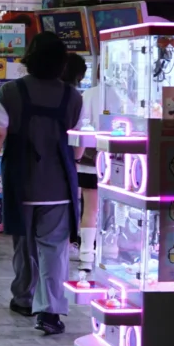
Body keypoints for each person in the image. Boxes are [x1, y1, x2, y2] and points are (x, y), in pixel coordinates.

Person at [0, 31, 81, 335]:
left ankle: (24, 298)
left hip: (21, 182)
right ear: (62, 63)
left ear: (29, 59)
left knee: (24, 244)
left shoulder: (9, 92)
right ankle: (49, 312)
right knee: (53, 249)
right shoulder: (73, 97)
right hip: (58, 187)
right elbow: (77, 148)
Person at [62, 53, 99, 280]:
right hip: (118, 162)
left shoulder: (88, 94)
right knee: (108, 209)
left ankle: (86, 253)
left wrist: (77, 157)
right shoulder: (124, 95)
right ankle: (107, 251)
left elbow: (81, 127)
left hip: (87, 160)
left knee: (89, 208)